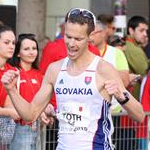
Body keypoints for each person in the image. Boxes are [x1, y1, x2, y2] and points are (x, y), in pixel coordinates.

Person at [1, 8, 145, 150]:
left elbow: (140, 116)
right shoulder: (55, 69)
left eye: (78, 39)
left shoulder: (103, 69)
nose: (71, 44)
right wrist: (11, 90)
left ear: (90, 37)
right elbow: (30, 115)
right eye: (68, 37)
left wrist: (122, 96)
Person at [8, 33, 43, 150]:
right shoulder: (12, 73)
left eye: (34, 48)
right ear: (18, 53)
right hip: (18, 127)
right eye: (26, 49)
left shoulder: (39, 74)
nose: (31, 52)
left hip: (37, 127)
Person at [0, 24, 19, 150]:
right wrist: (8, 112)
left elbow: (13, 107)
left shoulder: (12, 71)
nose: (11, 46)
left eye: (13, 42)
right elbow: (12, 111)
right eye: (6, 42)